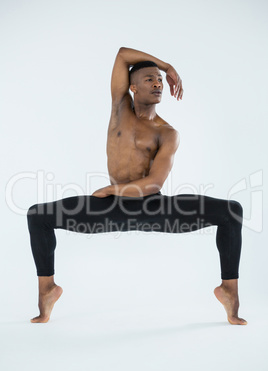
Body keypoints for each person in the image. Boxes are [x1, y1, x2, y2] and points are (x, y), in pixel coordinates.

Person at [27, 47, 247, 325]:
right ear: (132, 87)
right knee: (38, 216)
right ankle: (47, 290)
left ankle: (229, 291)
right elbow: (121, 55)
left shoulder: (167, 133)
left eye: (159, 80)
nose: (157, 84)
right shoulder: (120, 109)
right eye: (149, 79)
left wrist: (111, 190)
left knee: (231, 211)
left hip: (152, 207)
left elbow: (154, 183)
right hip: (110, 210)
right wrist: (167, 67)